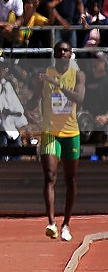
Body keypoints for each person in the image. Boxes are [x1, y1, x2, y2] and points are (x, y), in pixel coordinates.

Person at [37, 41, 85, 242]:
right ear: (55, 54)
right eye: (59, 50)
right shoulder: (45, 74)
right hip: (50, 131)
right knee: (49, 176)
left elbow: (79, 98)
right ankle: (51, 223)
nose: (62, 53)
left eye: (66, 50)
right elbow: (34, 98)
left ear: (70, 54)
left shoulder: (78, 75)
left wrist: (58, 84)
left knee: (70, 179)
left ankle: (66, 223)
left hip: (71, 132)